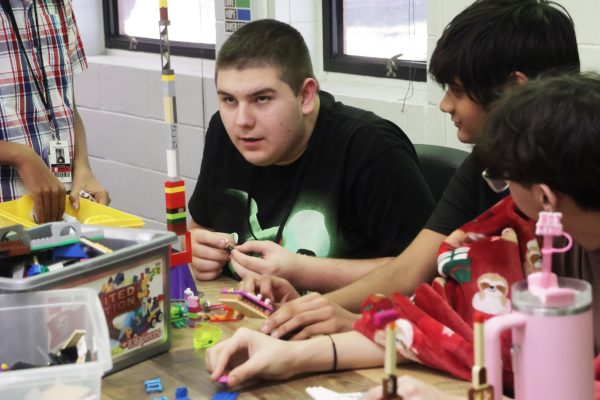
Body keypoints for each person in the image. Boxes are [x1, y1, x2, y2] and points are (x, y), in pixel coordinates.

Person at [207, 72, 600, 398]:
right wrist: (291, 355)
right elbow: (431, 323)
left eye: (505, 181)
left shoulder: (523, 223)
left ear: (546, 199)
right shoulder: (520, 235)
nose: (501, 194)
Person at [246, 0, 581, 341]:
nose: (445, 104)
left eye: (458, 90)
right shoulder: (487, 162)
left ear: (514, 90)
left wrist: (357, 321)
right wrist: (312, 311)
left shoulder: (578, 199)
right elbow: (411, 271)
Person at [187, 19, 435, 291]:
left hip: (350, 326)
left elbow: (425, 270)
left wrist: (301, 270)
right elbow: (199, 226)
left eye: (262, 99)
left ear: (305, 96)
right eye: (229, 100)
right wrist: (198, 248)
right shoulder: (223, 132)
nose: (242, 120)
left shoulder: (371, 149)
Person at [0, 0, 110, 223]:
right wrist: (19, 155)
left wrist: (82, 167)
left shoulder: (58, 5)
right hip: (7, 216)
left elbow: (67, 105)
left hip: (61, 213)